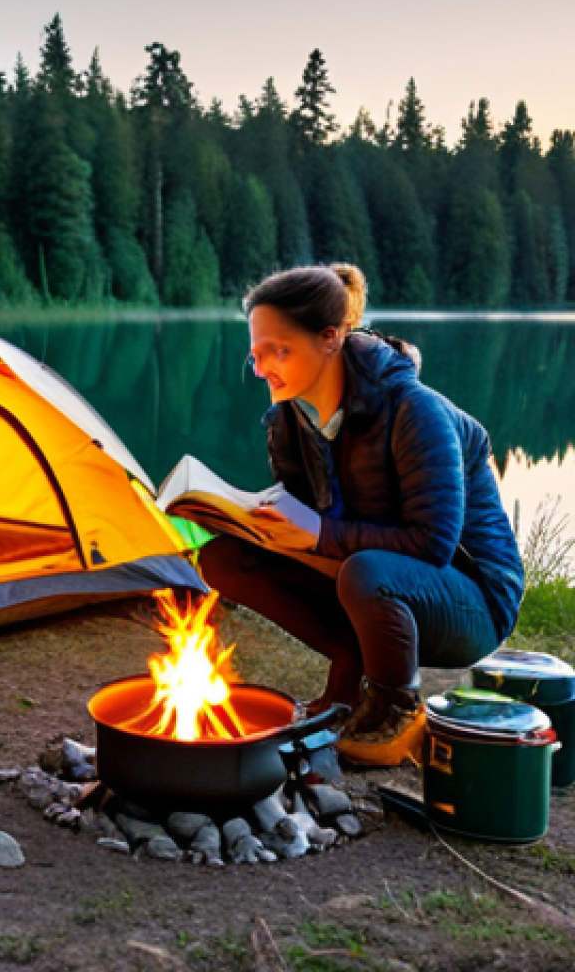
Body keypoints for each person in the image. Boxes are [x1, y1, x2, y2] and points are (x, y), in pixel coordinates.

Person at [198, 264, 525, 767]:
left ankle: (395, 707)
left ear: (330, 339)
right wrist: (249, 522)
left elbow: (433, 544)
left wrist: (319, 532)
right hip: (370, 581)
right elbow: (313, 529)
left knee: (368, 572)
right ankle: (349, 675)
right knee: (225, 558)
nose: (261, 368)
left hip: (472, 599)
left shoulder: (416, 412)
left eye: (278, 350)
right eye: (256, 353)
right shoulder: (290, 420)